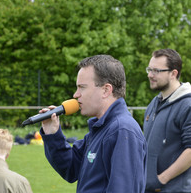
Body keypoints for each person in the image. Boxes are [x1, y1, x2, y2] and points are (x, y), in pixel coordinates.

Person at [39, 54, 147, 192]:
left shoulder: (122, 130)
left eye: (82, 87)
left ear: (106, 90)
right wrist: (52, 133)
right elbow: (70, 168)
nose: (75, 95)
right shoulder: (101, 127)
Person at [143, 49, 191, 193]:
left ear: (173, 73)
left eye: (156, 71)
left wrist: (161, 180)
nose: (150, 75)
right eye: (149, 69)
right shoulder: (154, 103)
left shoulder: (190, 105)